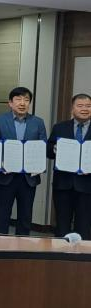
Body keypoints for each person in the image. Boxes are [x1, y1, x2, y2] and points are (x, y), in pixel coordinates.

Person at [0, 87, 47, 236]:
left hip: (28, 177)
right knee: (3, 214)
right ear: (10, 103)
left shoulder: (38, 122)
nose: (22, 103)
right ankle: (0, 244)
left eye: (26, 99)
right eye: (18, 99)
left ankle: (22, 245)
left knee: (25, 216)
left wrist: (39, 166)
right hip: (5, 176)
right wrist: (0, 163)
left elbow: (42, 147)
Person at [47, 93, 91, 239]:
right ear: (72, 108)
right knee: (62, 225)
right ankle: (61, 252)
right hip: (63, 185)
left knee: (84, 226)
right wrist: (55, 149)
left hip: (87, 186)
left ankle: (83, 253)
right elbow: (48, 150)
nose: (84, 109)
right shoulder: (60, 127)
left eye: (88, 106)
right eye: (80, 106)